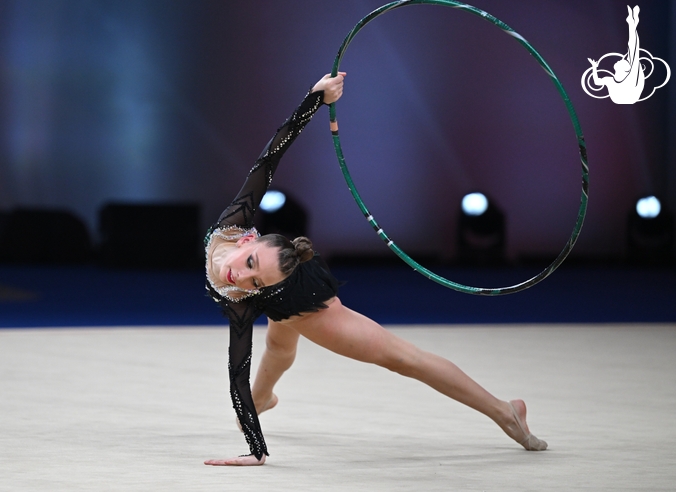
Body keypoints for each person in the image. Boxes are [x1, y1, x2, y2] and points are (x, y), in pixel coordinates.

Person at [203, 73, 547, 466]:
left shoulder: (254, 291)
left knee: (401, 358)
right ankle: (264, 399)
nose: (239, 280)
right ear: (245, 240)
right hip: (278, 279)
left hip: (297, 289)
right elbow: (272, 154)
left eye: (253, 277)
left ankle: (505, 411)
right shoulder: (236, 227)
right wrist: (315, 98)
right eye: (249, 271)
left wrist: (256, 450)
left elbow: (236, 369)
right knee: (279, 343)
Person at [588, 5, 644, 104]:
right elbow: (597, 82)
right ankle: (632, 23)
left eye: (624, 61)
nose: (621, 59)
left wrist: (632, 25)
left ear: (625, 69)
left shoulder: (630, 78)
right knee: (632, 51)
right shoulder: (610, 80)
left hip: (629, 97)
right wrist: (594, 67)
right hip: (621, 98)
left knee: (633, 51)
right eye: (624, 60)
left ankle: (632, 24)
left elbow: (633, 49)